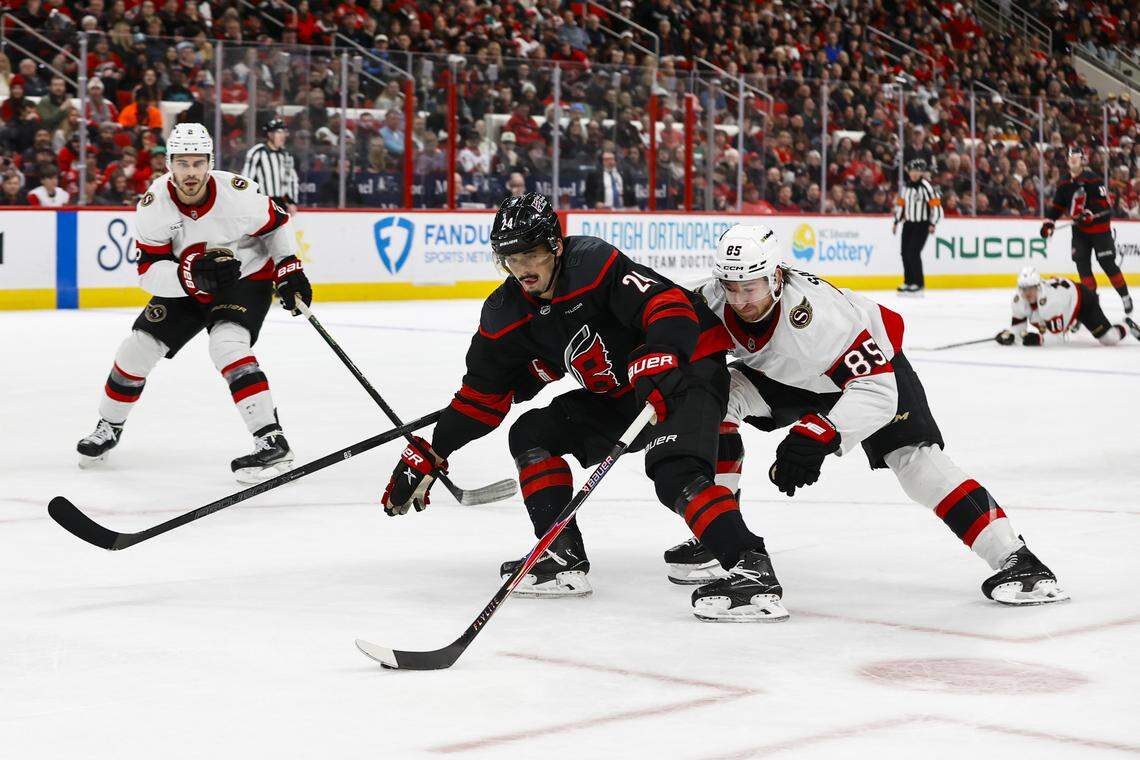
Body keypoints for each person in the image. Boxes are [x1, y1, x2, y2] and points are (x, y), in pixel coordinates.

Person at [379, 193, 788, 622]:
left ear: (555, 245)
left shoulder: (592, 264)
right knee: (531, 435)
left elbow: (667, 304)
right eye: (511, 258)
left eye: (532, 254)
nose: (523, 269)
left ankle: (751, 568)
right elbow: (481, 397)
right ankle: (559, 555)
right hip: (620, 394)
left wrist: (662, 352)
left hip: (687, 368)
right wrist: (435, 449)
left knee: (675, 471)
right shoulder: (505, 313)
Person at [664, 224, 1068, 607]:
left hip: (874, 371)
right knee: (715, 399)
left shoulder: (819, 318)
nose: (740, 301)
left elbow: (878, 390)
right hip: (792, 373)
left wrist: (821, 433)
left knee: (914, 463)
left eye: (749, 288)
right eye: (731, 288)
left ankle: (1019, 561)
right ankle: (720, 535)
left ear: (776, 278)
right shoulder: (712, 296)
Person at [75, 123, 313, 483]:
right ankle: (109, 426)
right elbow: (148, 272)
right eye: (182, 163)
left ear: (210, 163)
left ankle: (270, 438)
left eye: (198, 163)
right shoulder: (154, 206)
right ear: (169, 164)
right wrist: (188, 278)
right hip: (185, 286)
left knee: (227, 345)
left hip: (244, 279)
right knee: (135, 350)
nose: (190, 173)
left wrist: (289, 268)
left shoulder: (239, 194)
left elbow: (277, 224)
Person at [1042, 146, 1133, 314]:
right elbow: (1057, 206)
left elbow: (1105, 207)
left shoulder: (1093, 179)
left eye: (1077, 156)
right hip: (1080, 232)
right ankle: (1092, 307)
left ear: (1083, 159)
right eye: (1071, 157)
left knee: (1107, 263)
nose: (1073, 159)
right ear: (1067, 160)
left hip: (1100, 231)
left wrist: (1091, 213)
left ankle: (1125, 296)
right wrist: (1049, 222)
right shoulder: (1063, 183)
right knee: (1082, 267)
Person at [996, 266, 1140, 347]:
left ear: (1038, 287)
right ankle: (1069, 318)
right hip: (1065, 301)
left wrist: (1037, 339)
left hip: (1082, 299)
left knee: (1109, 339)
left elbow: (1057, 339)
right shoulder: (1018, 300)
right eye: (1023, 288)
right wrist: (1010, 336)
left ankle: (1126, 325)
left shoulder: (1050, 303)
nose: (1027, 293)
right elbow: (1018, 331)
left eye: (1030, 288)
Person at [892, 158, 942, 294]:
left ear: (922, 173)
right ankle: (908, 282)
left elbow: (936, 206)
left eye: (917, 171)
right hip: (908, 224)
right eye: (912, 171)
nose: (914, 174)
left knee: (913, 252)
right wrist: (896, 221)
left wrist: (933, 223)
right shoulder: (906, 187)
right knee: (904, 252)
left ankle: (918, 283)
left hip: (922, 224)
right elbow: (901, 205)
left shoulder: (927, 187)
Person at [241, 118, 300, 214]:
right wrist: (247, 200)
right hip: (262, 203)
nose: (283, 136)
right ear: (270, 134)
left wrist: (292, 202)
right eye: (279, 132)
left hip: (280, 204)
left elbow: (291, 180)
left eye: (284, 132)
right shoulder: (257, 152)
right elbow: (247, 178)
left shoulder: (286, 155)